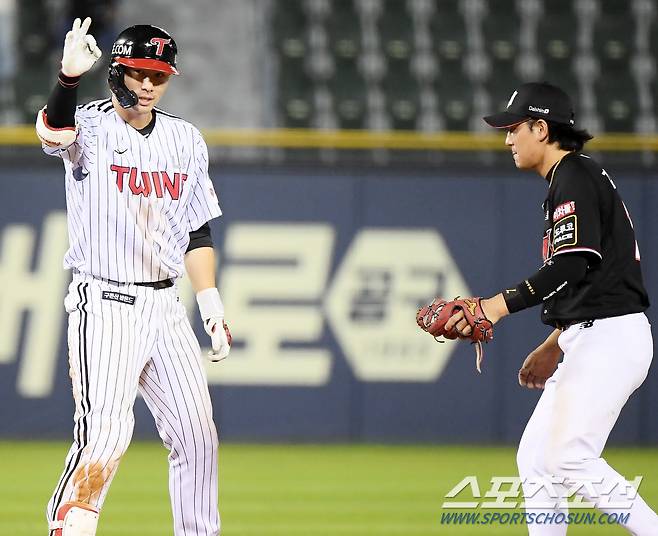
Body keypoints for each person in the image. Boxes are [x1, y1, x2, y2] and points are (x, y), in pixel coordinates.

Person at [36, 18, 231, 536]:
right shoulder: (91, 126)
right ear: (118, 70)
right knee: (103, 438)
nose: (148, 84)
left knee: (196, 436)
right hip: (104, 300)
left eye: (159, 75)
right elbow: (53, 132)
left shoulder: (185, 139)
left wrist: (210, 304)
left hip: (166, 306)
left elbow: (197, 231)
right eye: (140, 72)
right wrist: (67, 78)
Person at [446, 82, 658, 534]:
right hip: (592, 332)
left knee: (568, 458)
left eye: (514, 128)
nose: (507, 139)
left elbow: (572, 263)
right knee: (538, 459)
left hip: (612, 336)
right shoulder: (570, 178)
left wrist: (494, 307)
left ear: (541, 129)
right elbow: (587, 275)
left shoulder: (575, 176)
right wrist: (555, 341)